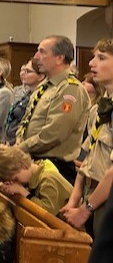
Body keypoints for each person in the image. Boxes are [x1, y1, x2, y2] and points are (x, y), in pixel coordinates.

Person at [16, 35, 90, 183]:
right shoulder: (45, 86)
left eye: (42, 52)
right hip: (32, 161)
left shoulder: (70, 88)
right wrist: (18, 142)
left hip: (55, 168)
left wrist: (20, 148)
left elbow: (54, 133)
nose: (36, 57)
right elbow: (26, 120)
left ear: (59, 58)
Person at [61, 38, 113, 238]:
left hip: (106, 200)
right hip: (93, 195)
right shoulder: (99, 108)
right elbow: (89, 158)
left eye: (101, 58)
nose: (91, 63)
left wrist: (85, 209)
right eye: (93, 57)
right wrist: (75, 198)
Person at [0, 145, 72, 216]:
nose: (15, 184)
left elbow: (47, 213)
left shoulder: (47, 178)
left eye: (15, 179)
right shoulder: (33, 175)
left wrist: (22, 191)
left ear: (22, 165)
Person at [2, 59, 45, 145]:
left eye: (28, 71)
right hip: (10, 140)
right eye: (23, 70)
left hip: (22, 144)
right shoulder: (26, 95)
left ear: (40, 76)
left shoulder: (41, 96)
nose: (23, 73)